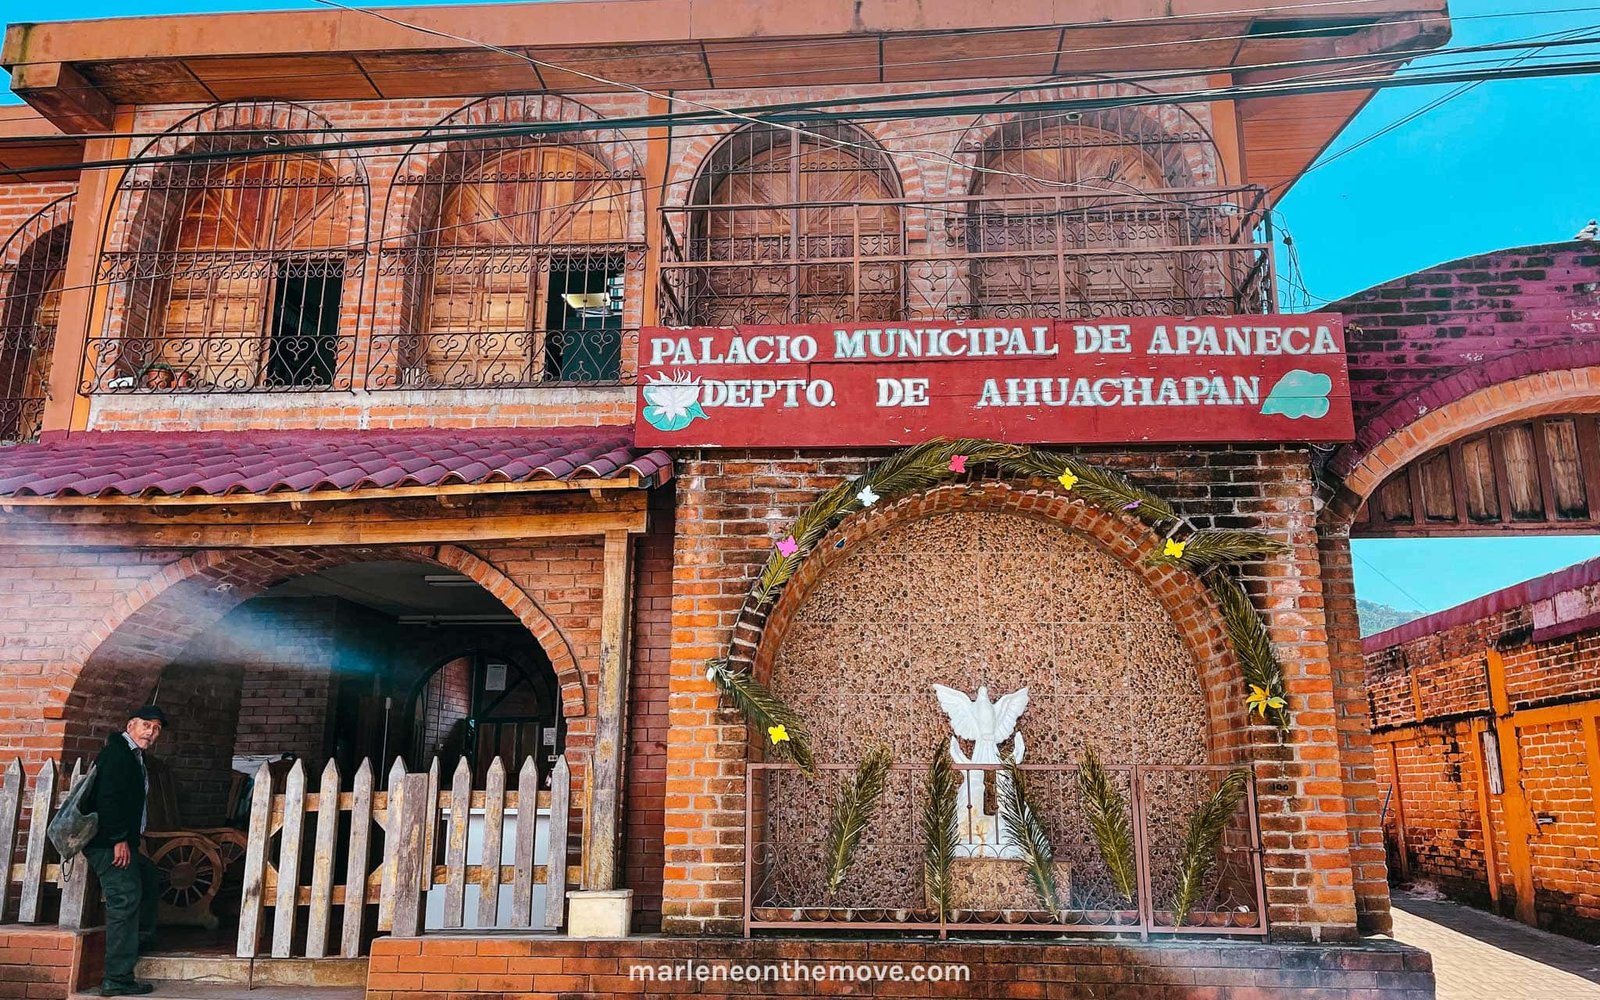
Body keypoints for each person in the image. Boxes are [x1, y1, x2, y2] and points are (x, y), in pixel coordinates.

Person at [85, 705, 167, 997]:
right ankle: (117, 979)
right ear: (131, 725)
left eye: (156, 729)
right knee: (124, 899)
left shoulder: (134, 755)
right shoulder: (118, 754)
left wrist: (134, 838)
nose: (151, 732)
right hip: (108, 843)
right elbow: (108, 799)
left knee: (148, 875)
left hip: (123, 841)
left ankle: (140, 940)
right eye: (146, 725)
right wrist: (119, 839)